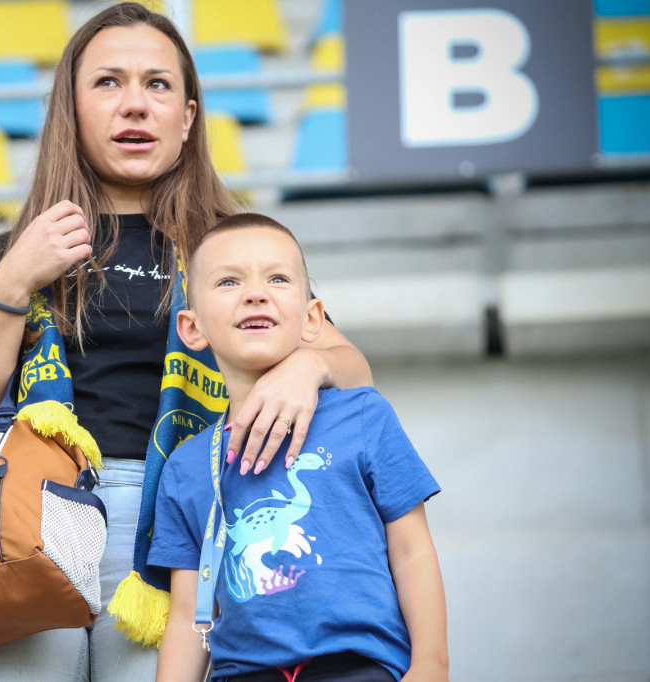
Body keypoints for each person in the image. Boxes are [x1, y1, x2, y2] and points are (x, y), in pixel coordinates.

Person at [0, 4, 373, 680]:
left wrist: (308, 365)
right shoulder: (10, 253)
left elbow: (356, 373)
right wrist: (15, 278)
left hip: (181, 520)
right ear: (70, 111)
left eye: (158, 85)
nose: (135, 105)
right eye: (108, 83)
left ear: (188, 117)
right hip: (19, 520)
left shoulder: (235, 248)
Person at [150, 214, 447, 682]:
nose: (255, 292)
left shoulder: (364, 416)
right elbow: (189, 613)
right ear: (192, 328)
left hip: (360, 667)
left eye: (278, 278)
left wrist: (431, 664)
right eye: (228, 281)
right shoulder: (185, 466)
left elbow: (412, 550)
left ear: (312, 319)